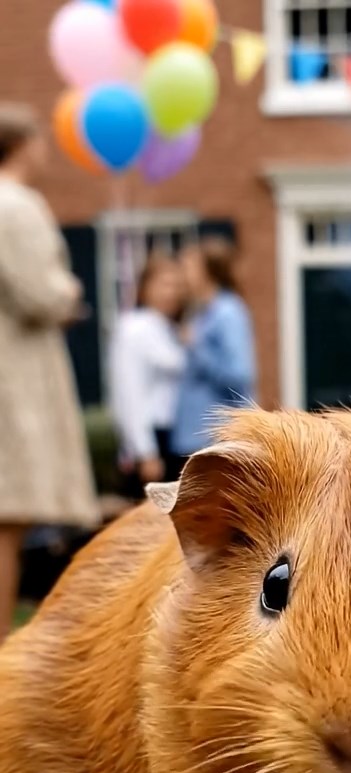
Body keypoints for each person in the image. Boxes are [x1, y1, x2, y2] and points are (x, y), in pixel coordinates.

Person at [0, 103, 99, 641]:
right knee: (8, 516)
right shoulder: (16, 205)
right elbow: (41, 291)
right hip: (14, 375)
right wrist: (70, 291)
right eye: (39, 142)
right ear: (21, 145)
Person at [109, 253, 187, 496]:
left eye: (177, 285)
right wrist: (145, 451)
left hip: (174, 435)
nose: (171, 293)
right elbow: (129, 392)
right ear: (144, 288)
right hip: (153, 436)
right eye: (164, 284)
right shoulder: (134, 328)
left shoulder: (170, 329)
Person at [173, 236, 257, 458]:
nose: (182, 276)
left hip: (217, 438)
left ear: (207, 271)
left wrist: (197, 347)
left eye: (189, 268)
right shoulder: (201, 312)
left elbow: (240, 374)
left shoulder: (228, 312)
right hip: (197, 437)